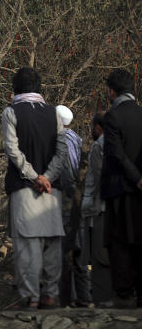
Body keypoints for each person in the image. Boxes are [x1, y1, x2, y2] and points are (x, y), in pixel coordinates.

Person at [0, 66, 68, 309]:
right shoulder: (54, 114)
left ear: (15, 87)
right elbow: (62, 151)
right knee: (52, 243)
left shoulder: (11, 112)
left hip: (24, 187)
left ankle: (31, 297)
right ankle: (50, 294)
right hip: (52, 189)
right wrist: (47, 176)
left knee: (27, 246)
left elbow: (12, 150)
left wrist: (33, 176)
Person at [100, 68, 142, 308]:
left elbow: (116, 153)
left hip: (119, 188)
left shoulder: (113, 117)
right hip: (139, 191)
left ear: (112, 92)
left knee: (119, 243)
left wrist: (135, 177)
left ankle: (123, 294)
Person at [56, 105, 90, 307]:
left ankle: (71, 298)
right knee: (79, 249)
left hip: (68, 201)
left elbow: (66, 172)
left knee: (69, 250)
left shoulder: (61, 141)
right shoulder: (76, 138)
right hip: (79, 200)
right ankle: (83, 296)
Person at [81, 112, 112, 304]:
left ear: (98, 128)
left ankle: (103, 298)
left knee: (100, 255)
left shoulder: (99, 146)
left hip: (99, 208)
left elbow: (96, 179)